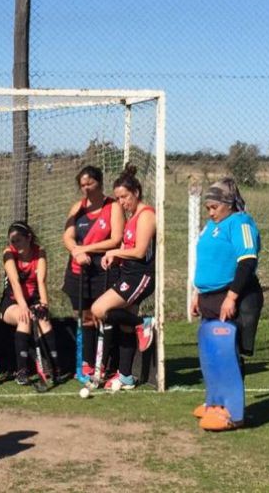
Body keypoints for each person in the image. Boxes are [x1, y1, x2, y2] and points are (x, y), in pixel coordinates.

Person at [191, 178, 263, 431]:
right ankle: (214, 403)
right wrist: (197, 292)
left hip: (235, 296)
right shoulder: (212, 226)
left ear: (228, 204)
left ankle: (232, 411)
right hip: (209, 297)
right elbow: (205, 260)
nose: (210, 212)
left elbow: (246, 261)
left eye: (214, 207)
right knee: (211, 352)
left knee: (227, 352)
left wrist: (231, 297)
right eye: (207, 208)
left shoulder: (241, 223)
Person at [91, 164, 157, 391]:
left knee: (99, 309)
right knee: (125, 326)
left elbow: (139, 252)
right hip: (128, 273)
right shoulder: (131, 216)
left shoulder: (147, 215)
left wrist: (113, 252)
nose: (121, 202)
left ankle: (143, 323)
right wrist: (116, 258)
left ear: (136, 193)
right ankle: (127, 376)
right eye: (118, 198)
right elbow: (128, 246)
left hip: (141, 276)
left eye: (125, 197)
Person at [61, 165, 125, 382]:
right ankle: (87, 362)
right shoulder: (77, 208)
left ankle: (106, 361)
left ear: (99, 183)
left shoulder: (113, 207)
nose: (86, 189)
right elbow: (68, 237)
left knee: (102, 315)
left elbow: (115, 239)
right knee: (86, 316)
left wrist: (85, 249)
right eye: (82, 185)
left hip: (103, 271)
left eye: (90, 184)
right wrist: (75, 252)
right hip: (79, 269)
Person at [0, 221, 60, 385]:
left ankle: (54, 367)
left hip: (34, 299)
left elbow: (41, 280)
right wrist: (24, 307)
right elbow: (15, 282)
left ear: (29, 238)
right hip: (12, 301)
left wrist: (44, 304)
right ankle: (22, 370)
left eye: (18, 240)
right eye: (12, 241)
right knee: (24, 318)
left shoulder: (39, 252)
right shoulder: (8, 253)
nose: (14, 244)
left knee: (44, 321)